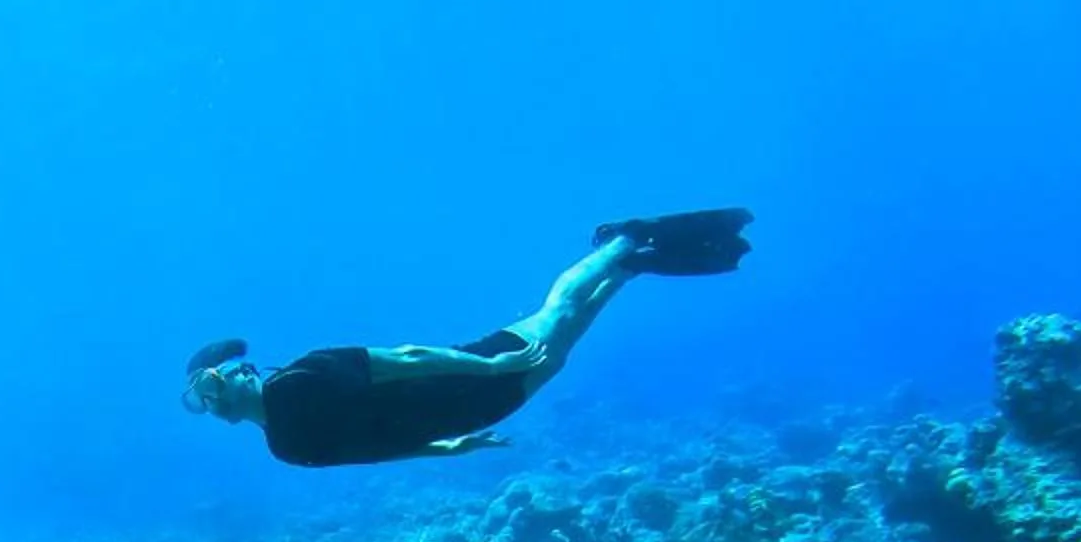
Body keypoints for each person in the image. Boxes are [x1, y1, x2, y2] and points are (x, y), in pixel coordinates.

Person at [180, 209, 753, 467]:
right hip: (467, 411)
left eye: (208, 383)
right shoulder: (286, 449)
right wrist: (447, 448)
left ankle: (621, 240)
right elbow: (373, 452)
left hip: (469, 375)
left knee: (554, 316)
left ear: (237, 373)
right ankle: (628, 269)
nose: (208, 399)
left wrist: (489, 366)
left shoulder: (302, 378)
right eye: (197, 398)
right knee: (559, 352)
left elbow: (405, 358)